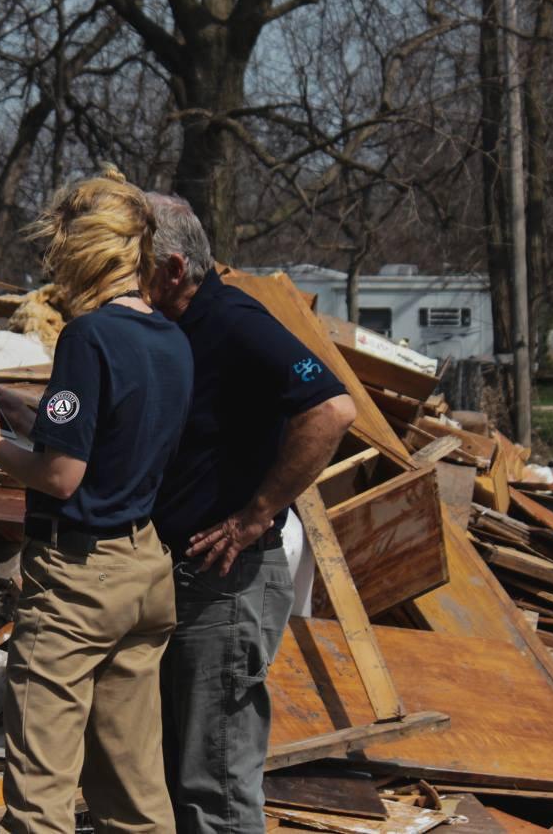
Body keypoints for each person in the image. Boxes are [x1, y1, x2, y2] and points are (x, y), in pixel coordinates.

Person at [0, 169, 192, 834]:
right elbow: (112, 437)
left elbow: (61, 477)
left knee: (41, 801)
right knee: (135, 794)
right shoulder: (171, 339)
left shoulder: (88, 337)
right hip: (144, 570)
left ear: (78, 249)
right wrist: (31, 414)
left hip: (80, 581)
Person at [145, 192, 357, 834]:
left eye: (129, 261)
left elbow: (332, 409)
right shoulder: (166, 326)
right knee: (178, 767)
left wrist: (256, 513)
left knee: (217, 780)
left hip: (229, 580)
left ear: (174, 269)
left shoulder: (234, 320)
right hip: (178, 574)